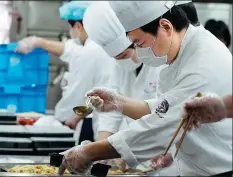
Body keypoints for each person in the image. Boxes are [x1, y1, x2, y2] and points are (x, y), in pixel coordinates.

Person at [57, 1, 232, 176]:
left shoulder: (202, 65)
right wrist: (121, 104)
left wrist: (89, 153)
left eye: (139, 43)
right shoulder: (182, 49)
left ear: (166, 27)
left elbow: (159, 129)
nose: (139, 52)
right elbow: (167, 108)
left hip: (218, 171)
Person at [82, 2, 176, 176]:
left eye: (124, 55)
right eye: (117, 57)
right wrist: (100, 151)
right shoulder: (119, 67)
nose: (122, 61)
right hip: (134, 157)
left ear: (135, 42)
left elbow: (162, 116)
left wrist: (116, 148)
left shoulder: (162, 61)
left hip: (165, 158)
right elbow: (112, 109)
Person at [15, 1, 117, 144]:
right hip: (105, 119)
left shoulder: (91, 50)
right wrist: (37, 41)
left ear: (78, 26)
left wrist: (62, 118)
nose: (71, 34)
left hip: (109, 121)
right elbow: (69, 50)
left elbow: (78, 91)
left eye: (70, 28)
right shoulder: (97, 44)